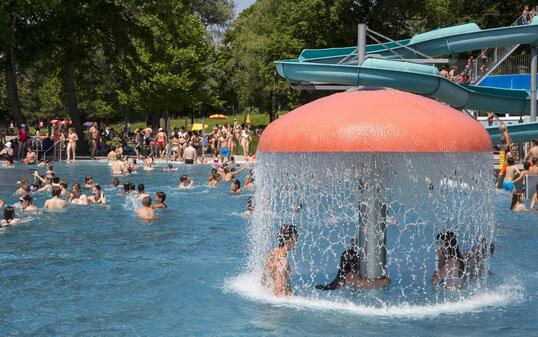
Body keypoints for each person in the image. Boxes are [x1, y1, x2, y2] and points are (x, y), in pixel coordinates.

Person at [315, 239, 390, 290]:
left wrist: (354, 245)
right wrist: (384, 281)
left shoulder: (341, 275)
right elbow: (363, 285)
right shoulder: (350, 275)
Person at [261, 224, 298, 297]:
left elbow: (263, 280)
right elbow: (279, 289)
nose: (297, 241)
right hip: (280, 306)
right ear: (291, 239)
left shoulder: (272, 254)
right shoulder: (282, 261)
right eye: (296, 238)